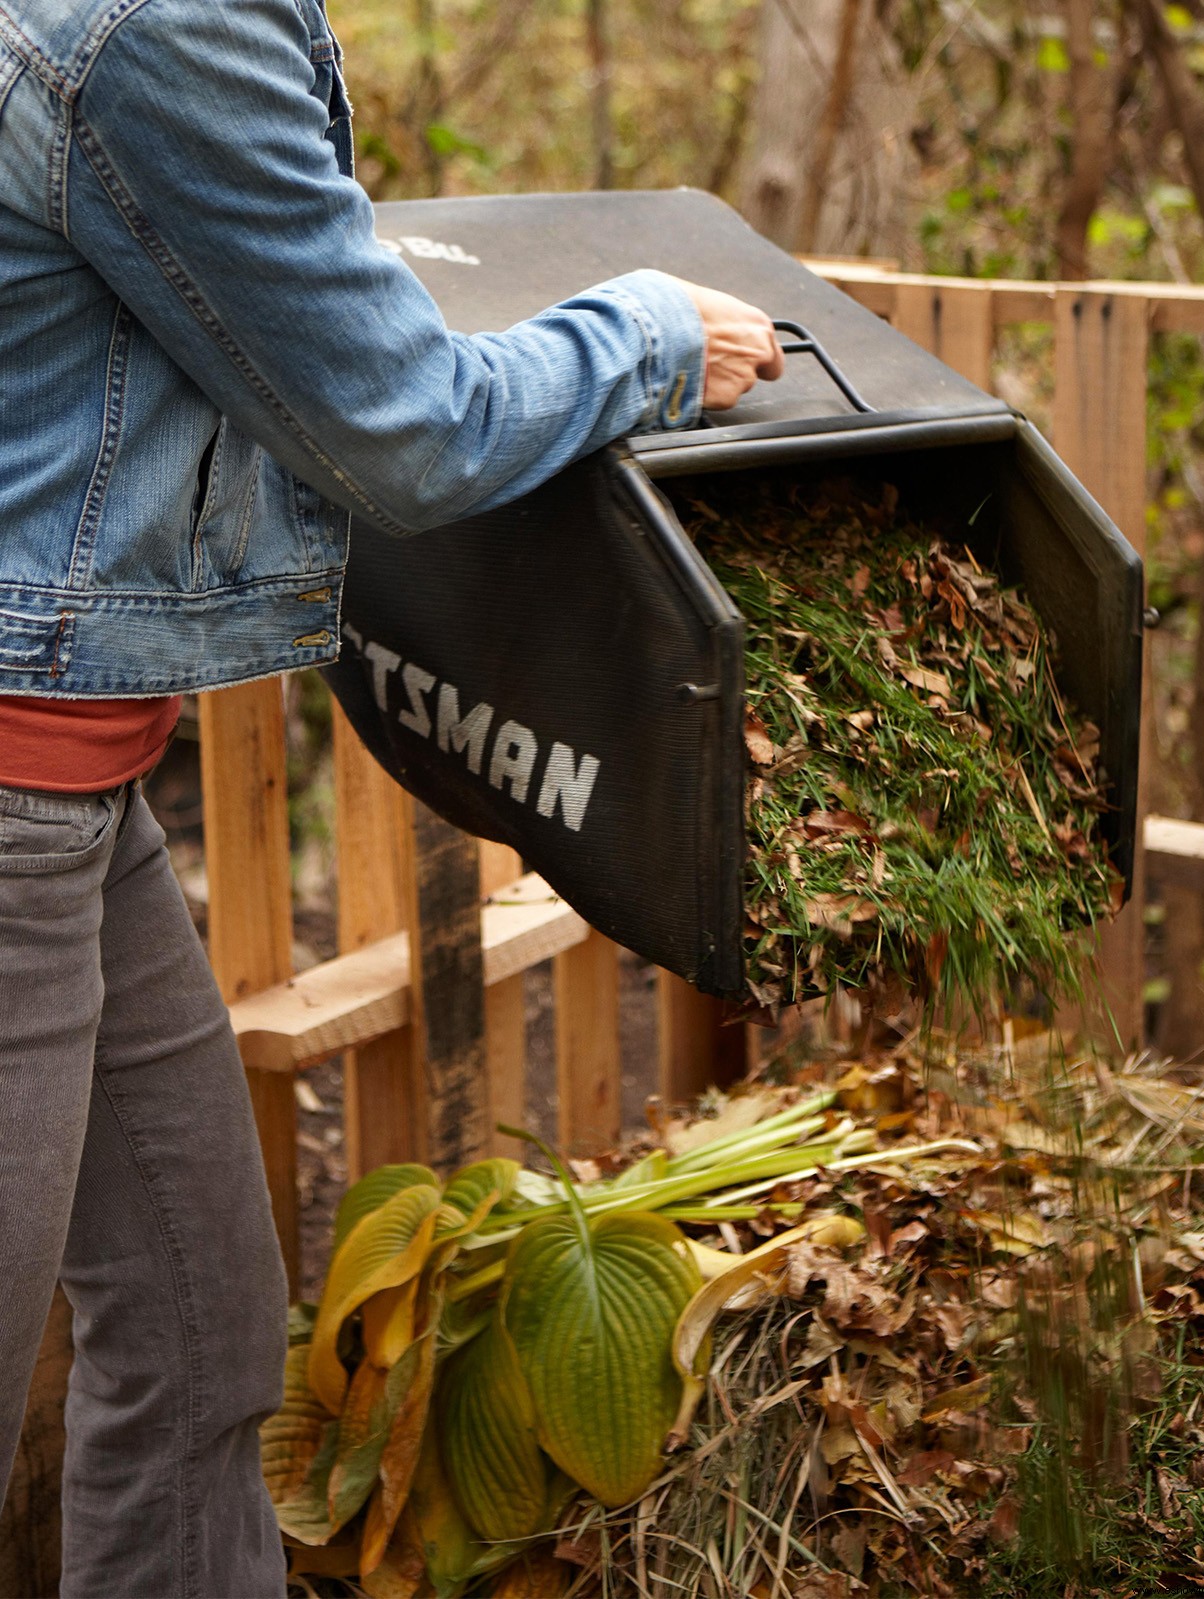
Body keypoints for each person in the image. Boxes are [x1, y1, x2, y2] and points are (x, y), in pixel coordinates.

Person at [0, 0, 783, 1593]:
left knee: (203, 1335)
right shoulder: (156, 26)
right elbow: (403, 429)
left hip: (79, 784)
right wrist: (643, 332)